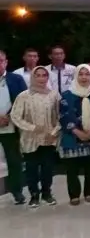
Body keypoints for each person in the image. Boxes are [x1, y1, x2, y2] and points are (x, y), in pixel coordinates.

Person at [10, 66, 60, 208]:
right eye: (38, 75)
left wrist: (54, 132)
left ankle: (47, 193)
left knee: (47, 169)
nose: (41, 78)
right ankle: (34, 195)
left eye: (44, 75)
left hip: (48, 139)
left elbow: (60, 116)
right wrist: (32, 128)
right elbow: (15, 116)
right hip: (30, 139)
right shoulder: (24, 96)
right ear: (33, 77)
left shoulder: (54, 95)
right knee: (31, 169)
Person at [58, 64, 90, 205]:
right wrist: (77, 132)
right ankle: (74, 195)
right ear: (76, 76)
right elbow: (63, 116)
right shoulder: (66, 95)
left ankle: (89, 193)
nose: (84, 77)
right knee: (72, 169)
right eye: (81, 74)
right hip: (72, 137)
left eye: (87, 74)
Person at [0, 50, 29, 204]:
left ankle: (16, 192)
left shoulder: (16, 79)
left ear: (6, 62)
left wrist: (9, 117)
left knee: (14, 161)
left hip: (11, 126)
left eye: (0, 60)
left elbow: (24, 101)